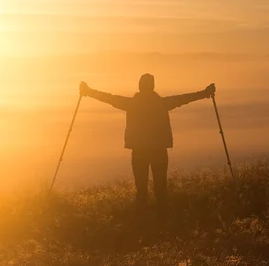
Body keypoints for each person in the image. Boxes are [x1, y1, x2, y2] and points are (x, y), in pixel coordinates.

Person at [79, 74, 215, 214]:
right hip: (159, 150)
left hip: (139, 150)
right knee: (160, 186)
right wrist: (205, 93)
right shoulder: (162, 103)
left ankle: (141, 218)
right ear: (152, 86)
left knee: (141, 188)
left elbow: (109, 98)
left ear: (140, 86)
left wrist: (88, 91)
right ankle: (163, 218)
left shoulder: (131, 104)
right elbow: (185, 98)